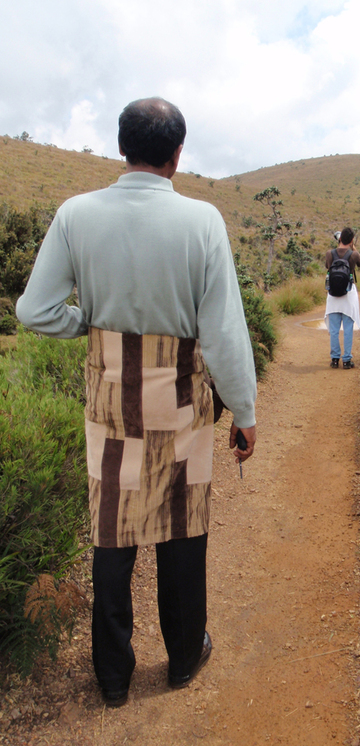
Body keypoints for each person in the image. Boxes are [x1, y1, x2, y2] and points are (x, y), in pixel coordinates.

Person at [16, 97, 257, 707]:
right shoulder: (202, 222)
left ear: (121, 148)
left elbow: (34, 311)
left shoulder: (76, 214)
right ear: (178, 155)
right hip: (181, 403)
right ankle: (181, 658)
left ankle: (114, 678)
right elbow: (224, 332)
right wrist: (246, 412)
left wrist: (91, 323)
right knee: (182, 528)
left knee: (112, 535)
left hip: (111, 404)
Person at [325, 227, 360, 369]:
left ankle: (335, 359)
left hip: (333, 295)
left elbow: (327, 266)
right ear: (352, 240)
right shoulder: (353, 255)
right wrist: (354, 248)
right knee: (348, 328)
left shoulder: (330, 253)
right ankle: (347, 360)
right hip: (348, 294)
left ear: (340, 238)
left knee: (334, 329)